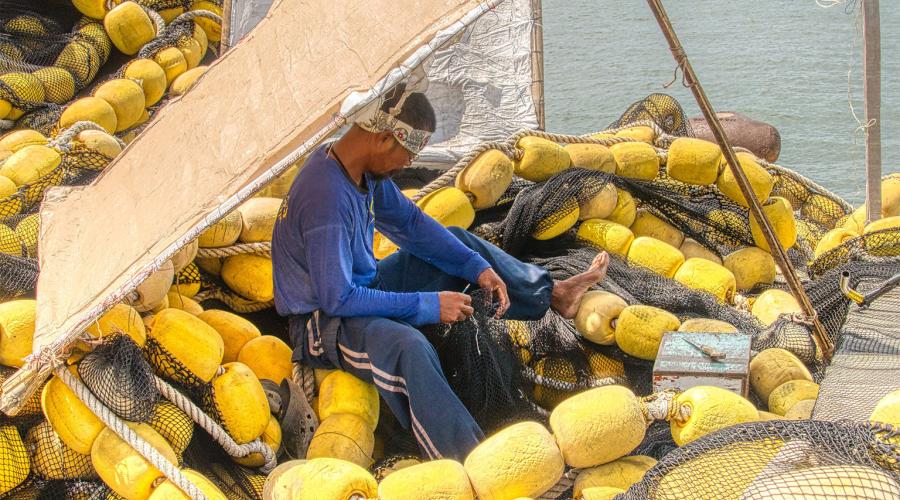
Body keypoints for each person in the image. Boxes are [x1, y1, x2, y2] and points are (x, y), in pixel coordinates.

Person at [271, 85, 609, 461]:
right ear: (383, 139)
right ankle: (470, 465)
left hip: (362, 287)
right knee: (408, 347)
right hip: (324, 322)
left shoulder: (359, 170)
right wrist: (429, 305)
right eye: (409, 154)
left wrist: (477, 268)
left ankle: (552, 295)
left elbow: (413, 226)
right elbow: (339, 297)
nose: (407, 164)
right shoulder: (326, 199)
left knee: (459, 243)